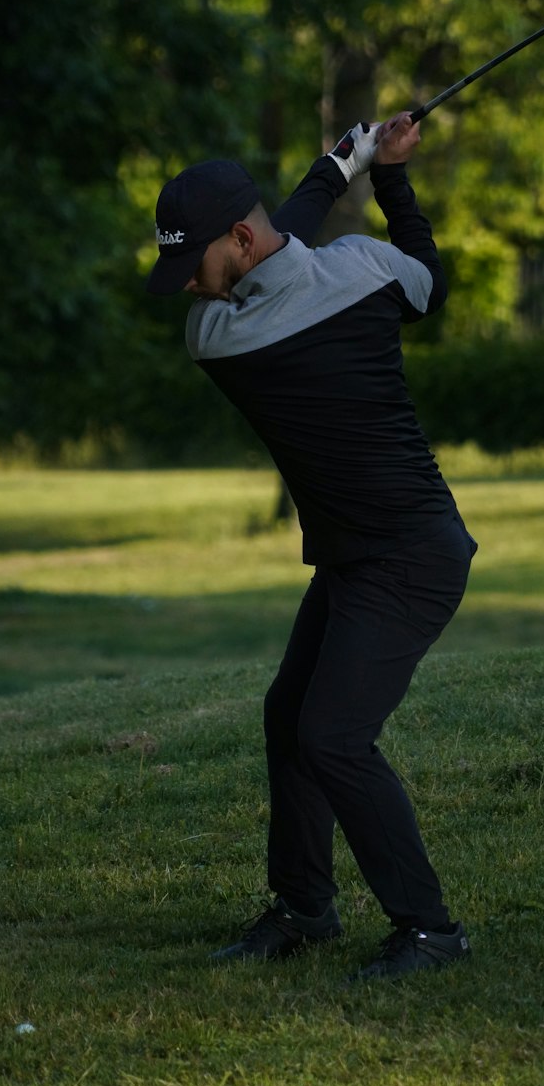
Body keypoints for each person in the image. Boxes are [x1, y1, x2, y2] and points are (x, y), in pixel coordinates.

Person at [146, 112, 477, 980]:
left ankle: (429, 928)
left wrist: (343, 164)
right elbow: (425, 280)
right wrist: (386, 177)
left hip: (406, 557)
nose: (189, 287)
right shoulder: (367, 270)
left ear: (241, 237)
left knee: (331, 736)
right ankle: (304, 909)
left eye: (196, 264)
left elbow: (287, 229)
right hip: (369, 552)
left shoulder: (221, 340)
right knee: (289, 718)